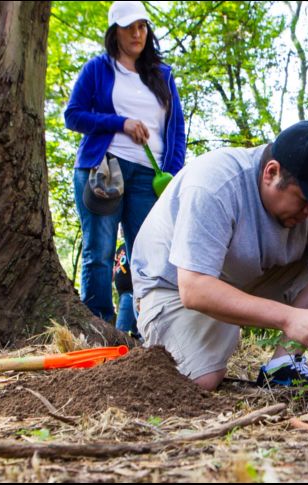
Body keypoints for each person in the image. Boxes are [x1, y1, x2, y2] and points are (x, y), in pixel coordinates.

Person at [131, 121, 308, 390]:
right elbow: (194, 288)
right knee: (200, 382)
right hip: (171, 285)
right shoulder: (215, 184)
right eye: (304, 200)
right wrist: (290, 317)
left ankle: (282, 366)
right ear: (271, 173)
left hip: (241, 277)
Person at [64, 1, 186, 323]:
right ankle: (99, 327)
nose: (137, 33)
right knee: (100, 253)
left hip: (150, 177)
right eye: (130, 26)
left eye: (143, 26)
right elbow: (73, 116)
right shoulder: (97, 70)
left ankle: (144, 328)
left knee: (148, 254)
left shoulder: (163, 75)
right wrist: (121, 123)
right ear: (114, 31)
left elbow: (177, 130)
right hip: (105, 169)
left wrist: (171, 173)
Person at [113, 241, 138, 336]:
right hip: (122, 294)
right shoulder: (120, 248)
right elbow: (116, 268)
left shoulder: (133, 241)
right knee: (136, 329)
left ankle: (117, 347)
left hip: (130, 294)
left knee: (120, 331)